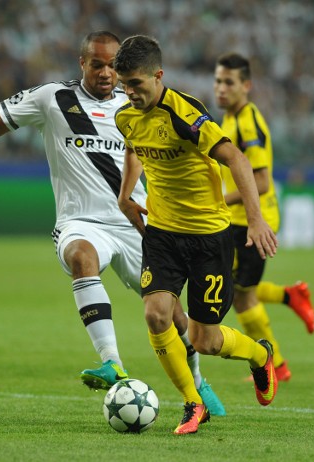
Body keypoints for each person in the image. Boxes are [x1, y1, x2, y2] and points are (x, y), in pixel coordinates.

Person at [0, 30, 225, 415]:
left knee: (173, 315)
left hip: (137, 221)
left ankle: (198, 385)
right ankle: (112, 361)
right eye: (97, 64)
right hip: (80, 220)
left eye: (113, 66)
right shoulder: (51, 98)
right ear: (82, 63)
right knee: (82, 256)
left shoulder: (137, 104)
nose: (106, 73)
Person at [113, 35, 279, 435]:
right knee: (156, 315)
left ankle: (260, 354)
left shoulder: (185, 114)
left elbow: (236, 158)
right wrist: (125, 196)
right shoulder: (126, 116)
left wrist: (255, 220)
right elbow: (134, 147)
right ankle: (193, 402)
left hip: (208, 237)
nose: (130, 93)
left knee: (205, 341)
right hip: (162, 233)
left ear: (158, 76)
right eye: (124, 86)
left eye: (137, 84)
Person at [213, 52, 314, 383]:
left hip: (251, 221)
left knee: (240, 295)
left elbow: (260, 181)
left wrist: (218, 198)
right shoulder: (229, 118)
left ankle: (277, 364)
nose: (221, 89)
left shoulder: (247, 121)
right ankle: (290, 296)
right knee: (239, 290)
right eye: (218, 81)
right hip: (236, 218)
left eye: (229, 82)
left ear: (247, 85)